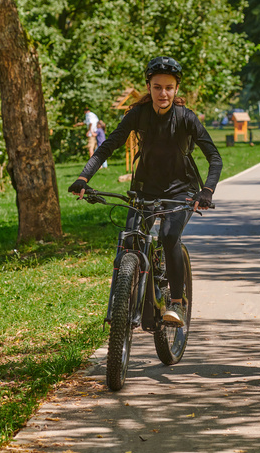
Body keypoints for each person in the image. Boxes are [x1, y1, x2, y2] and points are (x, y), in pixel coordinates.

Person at [68, 57, 221, 326]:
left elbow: (214, 157)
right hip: (144, 187)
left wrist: (207, 190)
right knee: (131, 238)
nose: (163, 93)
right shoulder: (138, 115)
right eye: (157, 87)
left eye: (169, 88)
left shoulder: (186, 118)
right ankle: (126, 302)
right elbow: (108, 146)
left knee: (169, 235)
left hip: (181, 189)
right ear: (148, 87)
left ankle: (176, 303)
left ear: (176, 89)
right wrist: (83, 177)